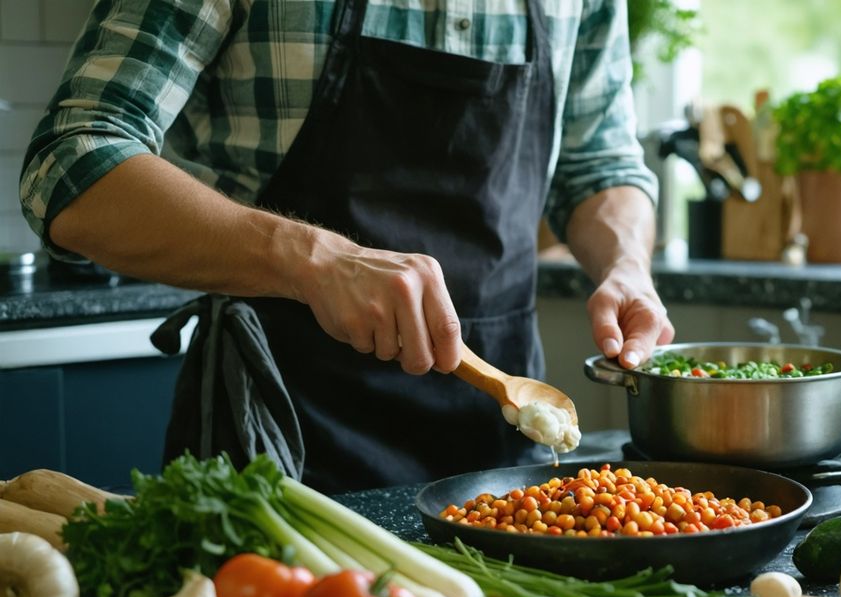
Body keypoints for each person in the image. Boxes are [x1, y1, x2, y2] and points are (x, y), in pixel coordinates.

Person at [19, 0, 674, 493]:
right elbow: (72, 161)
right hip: (277, 443)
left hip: (498, 452)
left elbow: (598, 163)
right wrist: (313, 260)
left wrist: (627, 268)